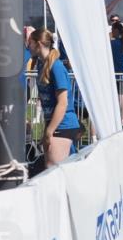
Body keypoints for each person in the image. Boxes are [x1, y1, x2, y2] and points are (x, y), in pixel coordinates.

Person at [28, 28, 82, 168]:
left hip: (63, 124)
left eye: (30, 43)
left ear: (39, 44)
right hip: (53, 123)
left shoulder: (56, 66)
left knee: (53, 169)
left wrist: (49, 131)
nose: (28, 47)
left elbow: (62, 103)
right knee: (52, 169)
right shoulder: (41, 64)